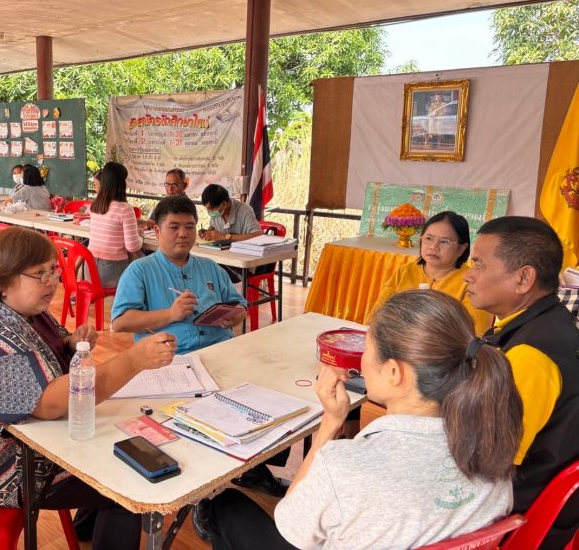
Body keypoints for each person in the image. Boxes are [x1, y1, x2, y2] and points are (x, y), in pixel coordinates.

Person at [207, 289, 523, 550]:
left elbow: (290, 525)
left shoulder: (345, 466)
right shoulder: (493, 451)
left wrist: (329, 425)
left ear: (394, 372)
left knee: (225, 506)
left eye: (366, 348)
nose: (361, 360)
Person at [0, 227, 177, 549]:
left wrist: (70, 344)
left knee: (122, 447)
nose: (52, 281)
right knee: (128, 486)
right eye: (39, 274)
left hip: (40, 439)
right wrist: (133, 360)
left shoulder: (25, 311)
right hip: (3, 465)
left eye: (53, 270)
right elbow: (51, 404)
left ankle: (86, 529)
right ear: (0, 281)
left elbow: (48, 356)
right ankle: (100, 523)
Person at [464, 216, 579, 548]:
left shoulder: (530, 356)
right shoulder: (550, 321)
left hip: (515, 519)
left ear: (524, 278)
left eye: (479, 264)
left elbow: (487, 463)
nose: (469, 275)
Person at [112, 195, 246, 353]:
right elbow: (120, 322)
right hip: (171, 355)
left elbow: (240, 305)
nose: (183, 234)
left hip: (219, 349)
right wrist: (170, 314)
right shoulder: (139, 271)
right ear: (157, 231)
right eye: (174, 227)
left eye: (189, 227)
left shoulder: (211, 267)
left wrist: (234, 317)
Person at [373, 211, 493, 334]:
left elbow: (475, 335)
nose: (433, 247)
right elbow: (376, 316)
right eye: (428, 239)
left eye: (444, 242)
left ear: (461, 249)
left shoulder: (472, 281)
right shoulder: (405, 271)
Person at [88, 162, 142, 287]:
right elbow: (132, 247)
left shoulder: (95, 205)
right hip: (111, 269)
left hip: (89, 267)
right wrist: (140, 236)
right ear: (121, 183)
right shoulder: (125, 209)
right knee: (145, 263)